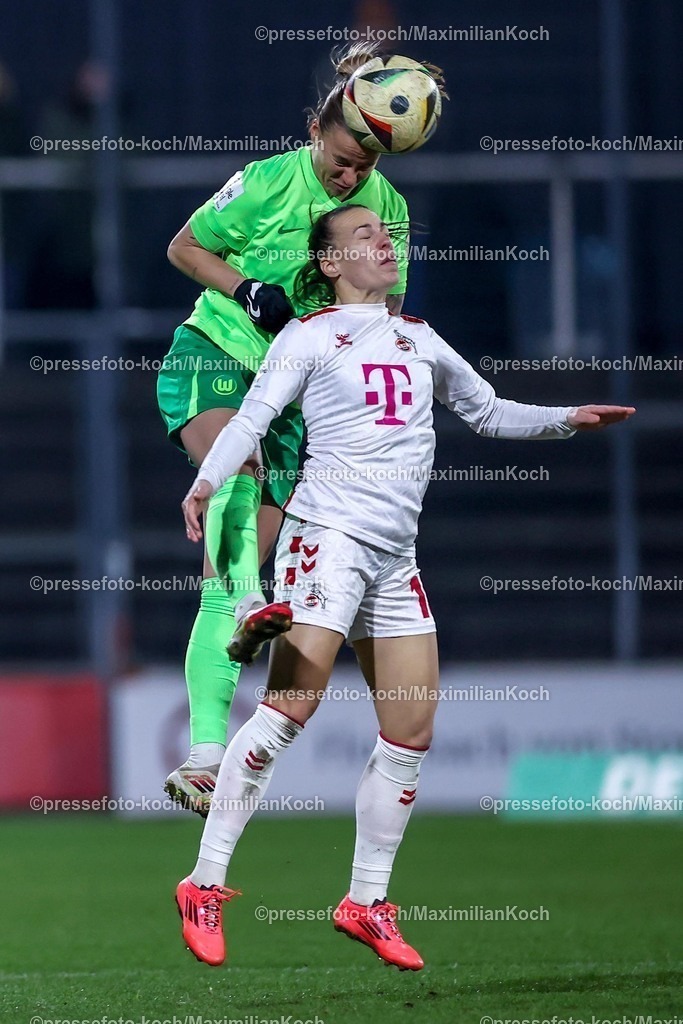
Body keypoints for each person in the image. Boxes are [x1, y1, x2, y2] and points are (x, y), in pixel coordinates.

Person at [174, 204, 635, 970]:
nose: (383, 243)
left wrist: (566, 419)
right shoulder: (309, 336)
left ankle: (365, 900)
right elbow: (251, 417)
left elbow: (484, 411)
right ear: (327, 265)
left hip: (394, 556)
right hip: (328, 539)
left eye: (386, 235)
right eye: (363, 237)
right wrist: (207, 481)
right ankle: (204, 882)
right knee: (290, 710)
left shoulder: (418, 337)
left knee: (411, 732)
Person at [158, 44, 447, 815]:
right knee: (238, 486)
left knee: (229, 578)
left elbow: (381, 317)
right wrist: (246, 286)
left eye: (368, 164)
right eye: (346, 156)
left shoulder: (385, 210)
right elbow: (184, 246)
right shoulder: (265, 180)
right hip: (216, 355)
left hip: (293, 395)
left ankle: (205, 760)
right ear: (319, 126)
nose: (352, 176)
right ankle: (211, 731)